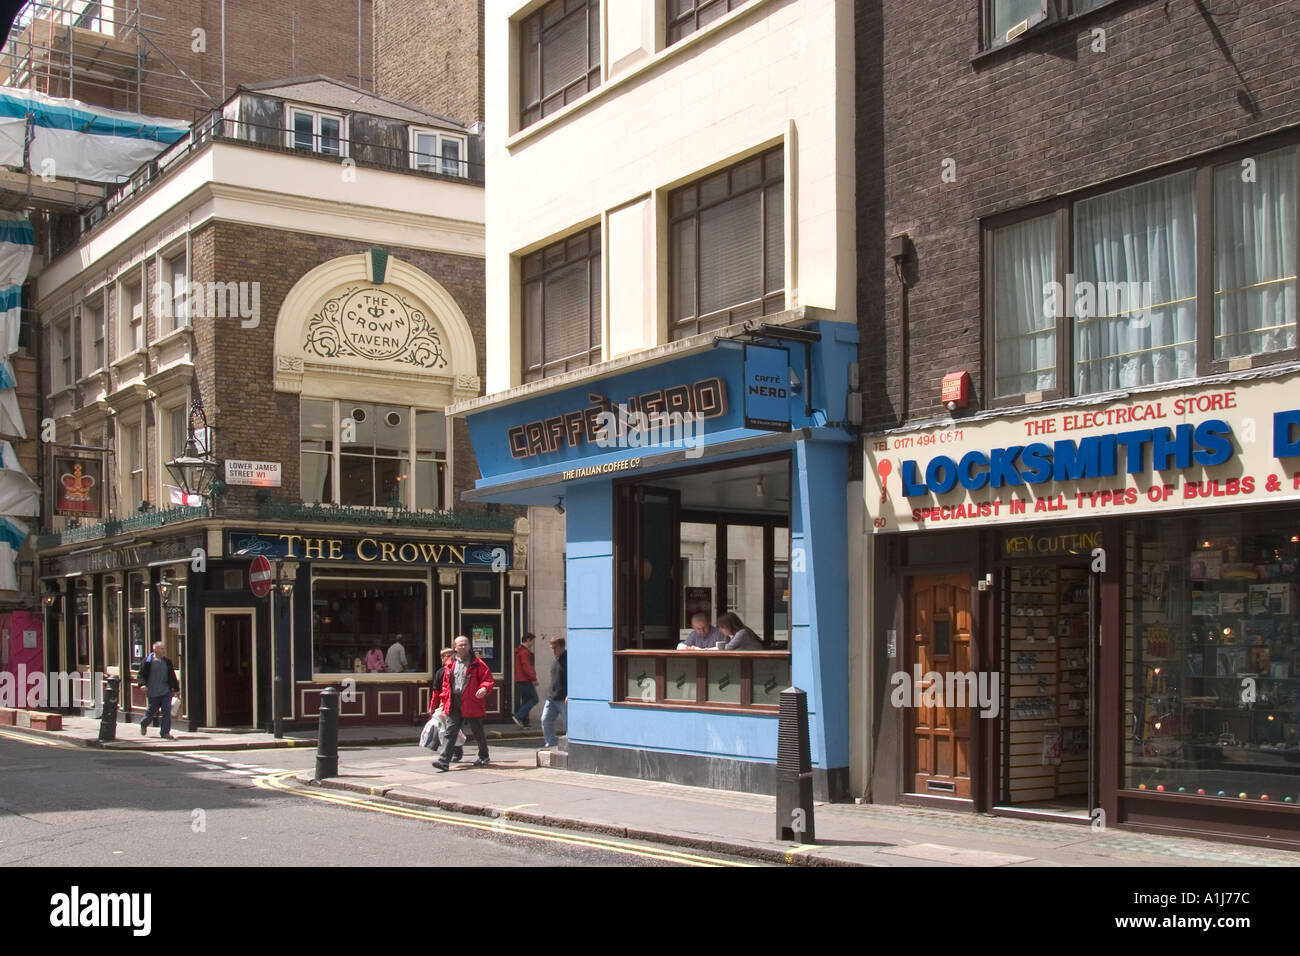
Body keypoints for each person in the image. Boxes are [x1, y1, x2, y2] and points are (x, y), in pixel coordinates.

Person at [433, 635, 494, 771]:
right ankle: (443, 761)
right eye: (460, 645)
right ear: (455, 647)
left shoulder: (477, 663)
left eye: (466, 644)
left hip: (471, 701)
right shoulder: (450, 663)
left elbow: (488, 679)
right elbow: (445, 685)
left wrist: (484, 688)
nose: (463, 646)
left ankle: (484, 756)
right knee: (450, 731)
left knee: (477, 730)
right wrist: (443, 701)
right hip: (454, 701)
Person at [138, 641, 180, 739]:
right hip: (153, 691)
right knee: (152, 711)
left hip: (166, 691)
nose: (164, 651)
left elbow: (172, 675)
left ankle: (165, 733)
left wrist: (176, 689)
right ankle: (144, 723)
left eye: (164, 648)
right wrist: (142, 684)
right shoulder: (147, 661)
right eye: (161, 649)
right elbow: (141, 674)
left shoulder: (167, 661)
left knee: (166, 711)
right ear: (155, 650)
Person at [430, 647, 462, 763]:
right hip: (445, 705)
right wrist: (432, 707)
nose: (450, 658)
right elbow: (436, 692)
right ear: (442, 658)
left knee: (453, 729)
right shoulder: (440, 673)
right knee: (448, 730)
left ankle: (455, 752)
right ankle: (452, 753)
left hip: (459, 703)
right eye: (447, 656)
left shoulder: (459, 669)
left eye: (451, 655)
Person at [541, 636, 567, 749]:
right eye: (551, 648)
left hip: (564, 698)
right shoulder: (555, 659)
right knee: (545, 720)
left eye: (555, 648)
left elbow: (576, 678)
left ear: (562, 647)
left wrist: (570, 695)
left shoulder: (568, 659)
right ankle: (551, 743)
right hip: (552, 697)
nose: (553, 650)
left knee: (568, 724)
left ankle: (569, 745)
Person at [512, 633, 539, 728]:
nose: (532, 643)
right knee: (534, 699)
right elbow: (527, 667)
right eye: (532, 641)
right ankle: (518, 716)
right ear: (528, 640)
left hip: (520, 679)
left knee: (526, 700)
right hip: (525, 679)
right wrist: (533, 678)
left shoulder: (520, 651)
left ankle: (524, 722)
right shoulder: (524, 652)